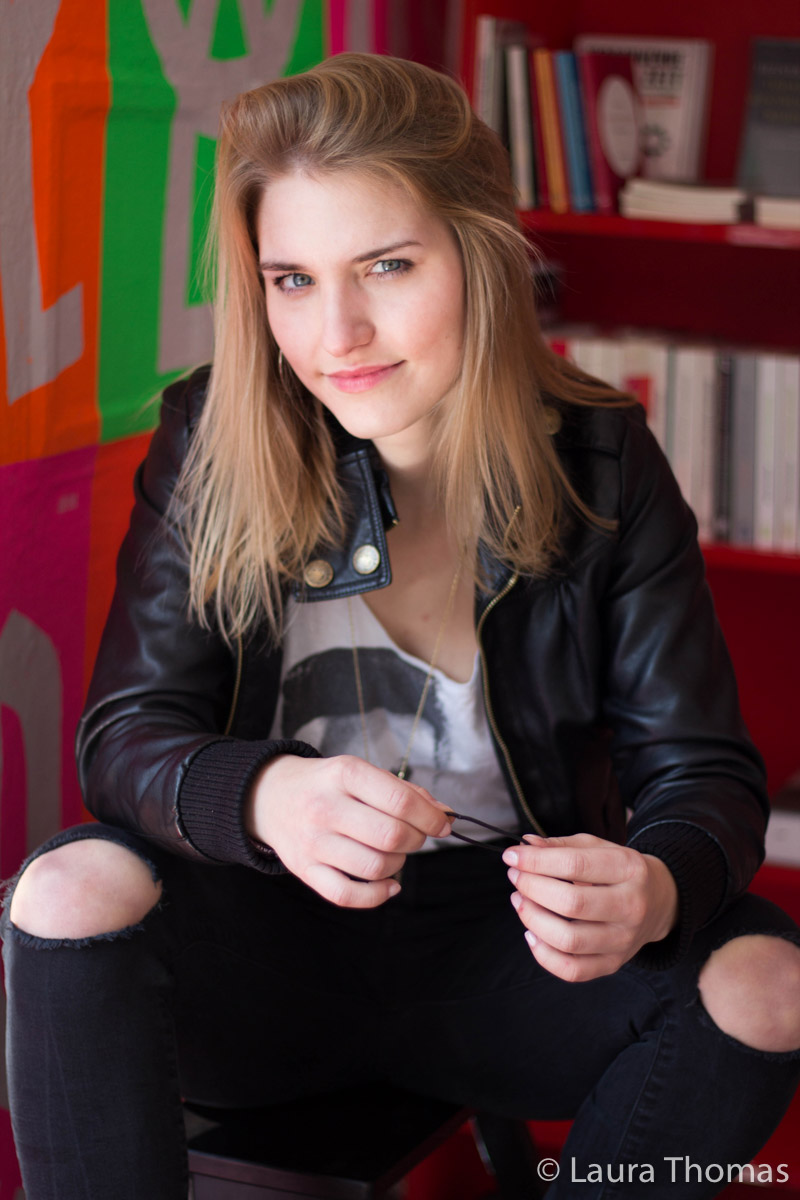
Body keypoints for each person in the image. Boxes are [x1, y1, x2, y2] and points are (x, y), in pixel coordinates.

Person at [3, 52, 800, 1200]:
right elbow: (125, 738)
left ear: (479, 256)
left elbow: (702, 773)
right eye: (291, 279)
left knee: (769, 982)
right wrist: (267, 797)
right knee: (66, 887)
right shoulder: (209, 436)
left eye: (386, 265)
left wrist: (657, 886)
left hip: (511, 961)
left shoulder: (601, 456)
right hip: (259, 963)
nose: (337, 333)